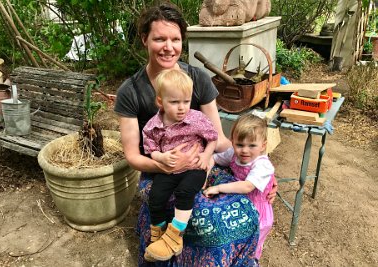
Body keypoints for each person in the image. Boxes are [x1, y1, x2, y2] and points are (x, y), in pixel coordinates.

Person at [114, 2, 277, 266]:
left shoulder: (197, 79)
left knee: (244, 212)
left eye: (175, 39)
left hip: (203, 164)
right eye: (159, 39)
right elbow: (133, 156)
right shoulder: (130, 91)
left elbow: (220, 139)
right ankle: (167, 248)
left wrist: (261, 168)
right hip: (158, 171)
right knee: (203, 218)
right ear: (145, 39)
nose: (169, 47)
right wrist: (162, 163)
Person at [142, 69, 218, 261]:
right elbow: (150, 149)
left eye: (186, 101)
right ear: (161, 101)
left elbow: (213, 137)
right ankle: (157, 236)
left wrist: (207, 155)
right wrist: (161, 158)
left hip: (194, 167)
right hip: (168, 170)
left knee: (185, 192)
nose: (182, 107)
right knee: (156, 197)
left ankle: (175, 237)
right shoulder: (153, 126)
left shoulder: (196, 119)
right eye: (174, 102)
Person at [203, 113, 275, 260]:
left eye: (252, 145)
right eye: (240, 144)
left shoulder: (262, 164)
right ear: (232, 141)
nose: (245, 150)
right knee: (236, 242)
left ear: (263, 145)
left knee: (250, 247)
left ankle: (251, 261)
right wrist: (206, 173)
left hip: (257, 213)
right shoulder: (234, 154)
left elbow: (247, 186)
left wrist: (218, 188)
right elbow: (214, 158)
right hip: (238, 206)